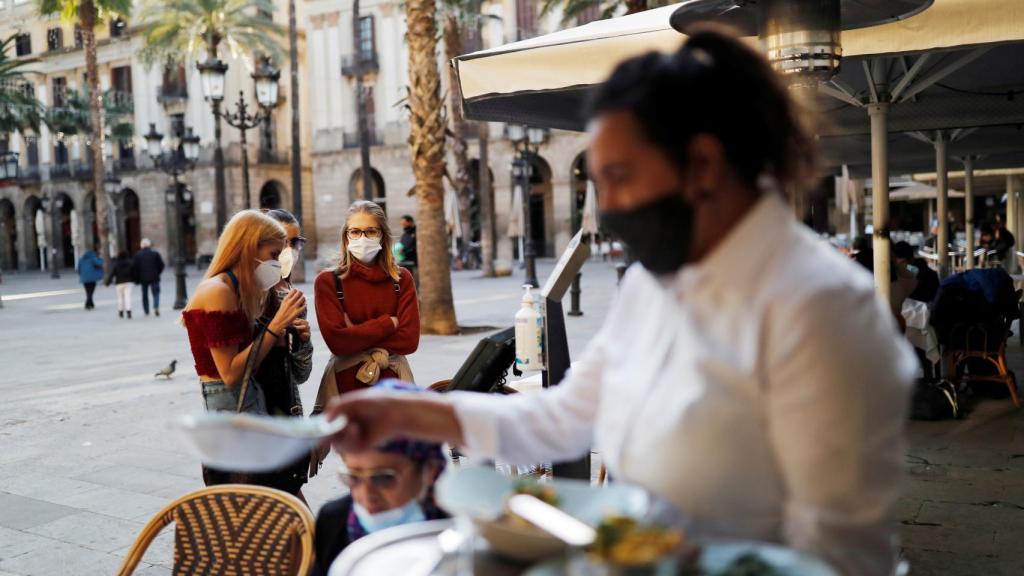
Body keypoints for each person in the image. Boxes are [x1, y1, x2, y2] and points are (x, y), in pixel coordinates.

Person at [326, 27, 916, 576]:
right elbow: (564, 418)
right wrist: (413, 413)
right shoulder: (654, 283)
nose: (606, 206)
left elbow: (838, 554)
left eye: (619, 176)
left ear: (703, 164)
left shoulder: (823, 311)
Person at [181, 209, 307, 486]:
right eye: (274, 254)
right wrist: (276, 325)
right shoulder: (218, 290)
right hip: (231, 410)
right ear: (250, 247)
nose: (278, 262)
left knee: (277, 495)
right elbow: (230, 373)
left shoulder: (235, 290)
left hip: (248, 404)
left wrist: (291, 335)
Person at [309, 381, 449, 576]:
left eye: (383, 478)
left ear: (429, 471)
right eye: (353, 477)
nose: (366, 494)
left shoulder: (462, 534)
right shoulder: (334, 521)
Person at [313, 200, 420, 401]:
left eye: (371, 231)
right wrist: (389, 323)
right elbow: (337, 343)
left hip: (395, 385)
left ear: (382, 235)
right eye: (355, 232)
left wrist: (354, 332)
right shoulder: (328, 281)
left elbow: (410, 340)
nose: (362, 238)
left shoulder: (401, 279)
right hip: (345, 385)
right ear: (346, 237)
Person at [253, 208, 315, 500]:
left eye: (295, 242)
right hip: (257, 418)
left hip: (287, 411)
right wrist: (275, 326)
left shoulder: (293, 295)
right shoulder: (247, 292)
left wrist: (303, 341)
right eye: (282, 243)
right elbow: (238, 367)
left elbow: (300, 375)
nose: (289, 250)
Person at [132, 238, 165, 317]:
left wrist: (137, 278)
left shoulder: (138, 255)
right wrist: (157, 272)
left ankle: (146, 310)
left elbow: (135, 268)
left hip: (143, 278)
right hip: (154, 276)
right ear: (149, 245)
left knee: (145, 295)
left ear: (141, 246)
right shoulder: (155, 253)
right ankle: (156, 307)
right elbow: (161, 265)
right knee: (156, 293)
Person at [105, 251, 136, 319]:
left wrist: (107, 283)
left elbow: (112, 274)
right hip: (128, 282)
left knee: (120, 298)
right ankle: (128, 311)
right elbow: (134, 272)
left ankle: (121, 311)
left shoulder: (116, 264)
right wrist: (135, 280)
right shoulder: (130, 262)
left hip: (119, 283)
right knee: (128, 297)